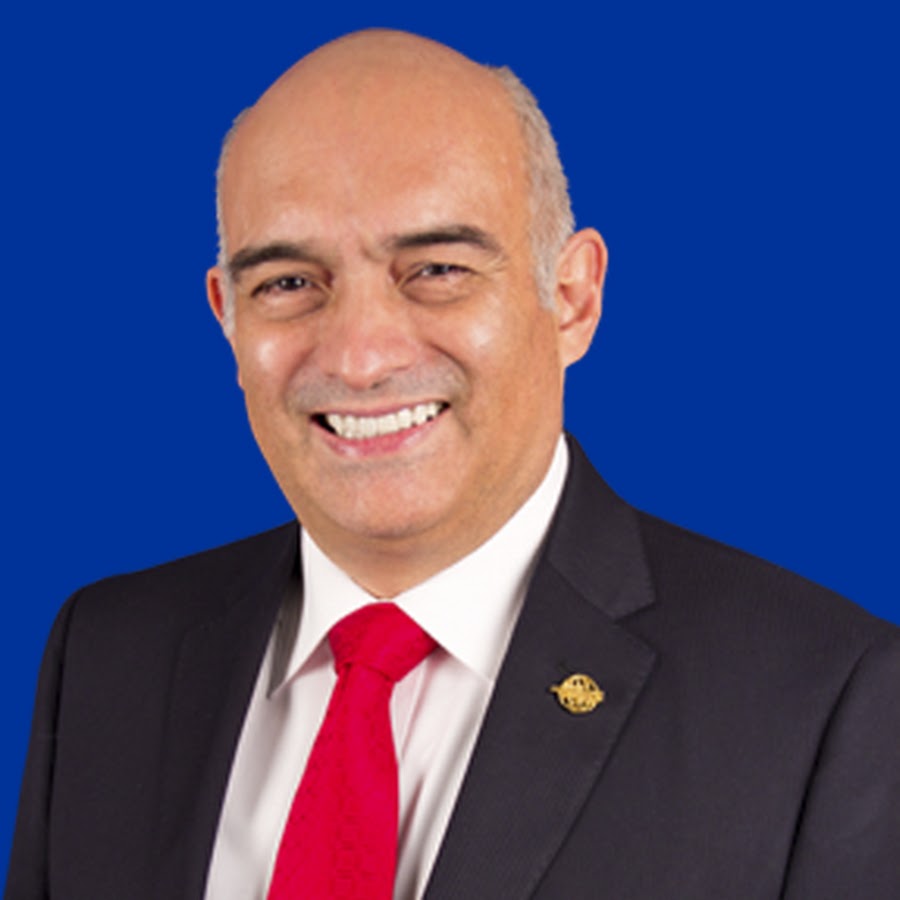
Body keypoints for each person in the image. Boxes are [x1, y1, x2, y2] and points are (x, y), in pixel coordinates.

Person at [5, 28, 900, 900]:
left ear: (571, 299)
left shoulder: (824, 701)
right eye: (288, 283)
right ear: (227, 319)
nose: (359, 357)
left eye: (435, 269)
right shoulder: (108, 654)